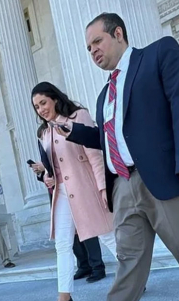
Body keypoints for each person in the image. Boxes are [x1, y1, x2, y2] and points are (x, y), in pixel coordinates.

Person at [59, 12, 179, 301]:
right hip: (123, 185)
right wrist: (73, 131)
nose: (93, 51)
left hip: (166, 174)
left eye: (97, 41)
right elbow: (107, 138)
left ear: (119, 34)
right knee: (129, 260)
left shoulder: (158, 54)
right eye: (88, 48)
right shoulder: (104, 96)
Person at [31, 82, 117, 301]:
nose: (41, 109)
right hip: (61, 194)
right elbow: (54, 167)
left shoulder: (78, 116)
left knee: (107, 235)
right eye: (37, 107)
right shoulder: (44, 132)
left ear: (55, 99)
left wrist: (103, 187)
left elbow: (95, 155)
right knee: (62, 244)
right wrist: (47, 177)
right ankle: (65, 296)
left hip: (86, 187)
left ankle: (134, 276)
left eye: (43, 103)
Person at [31, 161, 107, 283]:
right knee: (70, 233)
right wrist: (42, 172)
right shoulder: (44, 145)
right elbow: (50, 172)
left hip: (74, 191)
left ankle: (97, 267)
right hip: (58, 196)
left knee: (87, 229)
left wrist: (45, 167)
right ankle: (83, 266)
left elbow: (66, 164)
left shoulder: (59, 141)